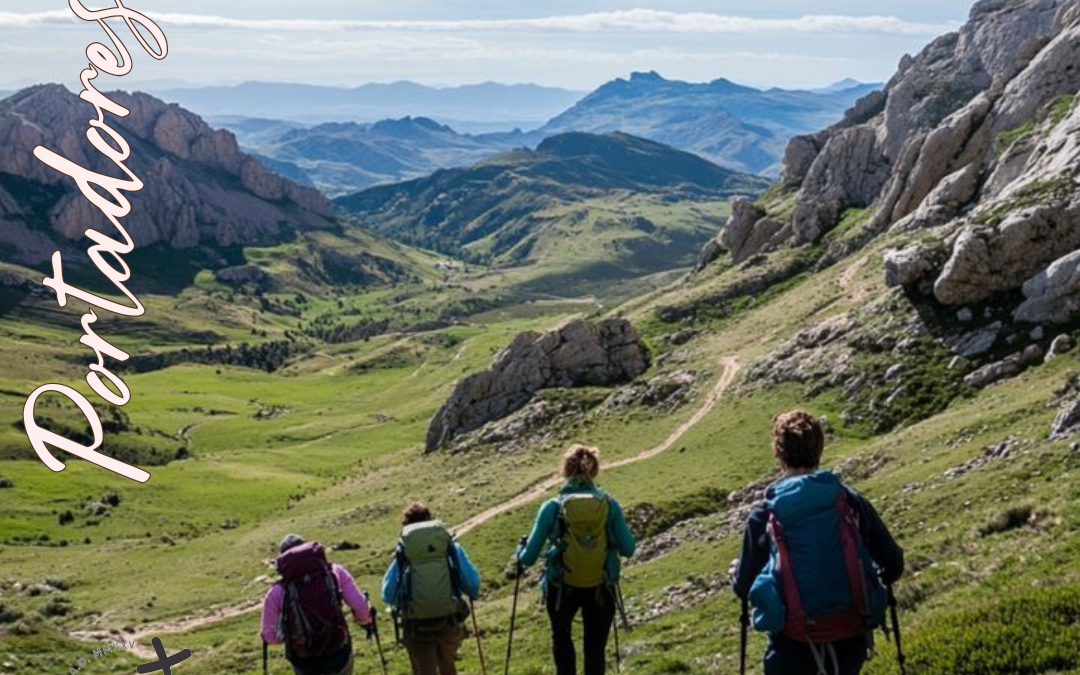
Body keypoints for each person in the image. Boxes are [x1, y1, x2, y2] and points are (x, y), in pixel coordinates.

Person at [729, 411, 905, 675]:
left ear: (778, 454)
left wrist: (735, 574)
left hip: (791, 647)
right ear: (820, 450)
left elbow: (745, 587)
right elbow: (893, 564)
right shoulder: (849, 501)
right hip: (850, 640)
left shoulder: (765, 513)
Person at [516, 444, 636, 675]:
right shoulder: (609, 505)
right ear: (594, 471)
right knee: (595, 648)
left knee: (562, 640)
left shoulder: (552, 507)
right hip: (601, 586)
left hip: (562, 587)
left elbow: (529, 558)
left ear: (565, 471)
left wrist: (520, 552)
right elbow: (629, 548)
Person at [382, 502, 481, 675]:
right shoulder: (448, 547)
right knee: (448, 667)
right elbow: (472, 584)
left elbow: (388, 594)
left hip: (416, 626)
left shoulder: (404, 552)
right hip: (449, 621)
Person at [262, 534, 373, 675]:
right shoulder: (335, 572)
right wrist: (366, 621)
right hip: (338, 652)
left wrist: (293, 634)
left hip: (305, 662)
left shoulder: (277, 591)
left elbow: (269, 635)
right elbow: (362, 609)